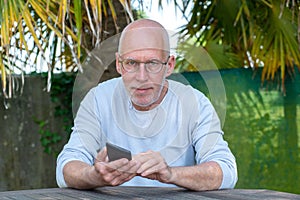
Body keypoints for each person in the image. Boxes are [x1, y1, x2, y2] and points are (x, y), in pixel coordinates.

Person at [56, 19, 238, 191]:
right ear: (119, 64)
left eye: (152, 63)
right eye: (131, 63)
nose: (141, 77)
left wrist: (171, 174)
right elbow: (67, 166)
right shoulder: (98, 99)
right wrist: (94, 175)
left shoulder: (194, 103)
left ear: (169, 65)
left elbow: (226, 171)